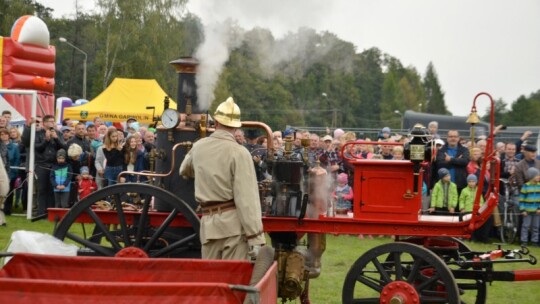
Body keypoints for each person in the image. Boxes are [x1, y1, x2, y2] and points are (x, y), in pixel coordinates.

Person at [179, 97, 265, 260]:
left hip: (208, 226)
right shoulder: (239, 152)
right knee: (232, 282)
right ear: (236, 127)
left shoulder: (198, 146)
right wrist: (256, 237)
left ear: (216, 122)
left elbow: (184, 170)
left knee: (211, 281)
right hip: (232, 228)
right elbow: (246, 199)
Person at [22, 115, 68, 216]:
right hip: (41, 164)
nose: (52, 123)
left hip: (55, 165)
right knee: (42, 189)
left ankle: (50, 212)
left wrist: (56, 139)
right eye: (50, 121)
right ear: (45, 123)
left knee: (52, 189)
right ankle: (41, 212)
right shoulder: (38, 133)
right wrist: (46, 140)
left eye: (53, 121)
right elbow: (37, 148)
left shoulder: (58, 133)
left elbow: (64, 148)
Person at [435, 130, 470, 195]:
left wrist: (450, 160)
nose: (453, 138)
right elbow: (440, 164)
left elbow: (465, 162)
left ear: (458, 138)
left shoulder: (464, 150)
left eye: (455, 136)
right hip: (444, 185)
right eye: (450, 136)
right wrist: (457, 161)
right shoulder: (441, 150)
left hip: (460, 185)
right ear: (447, 138)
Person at [519, 167, 540, 247]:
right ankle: (524, 241)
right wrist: (523, 210)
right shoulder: (525, 186)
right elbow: (521, 199)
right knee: (525, 226)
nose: (539, 177)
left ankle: (534, 241)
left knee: (536, 227)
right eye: (537, 176)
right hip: (527, 211)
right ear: (531, 176)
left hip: (537, 211)